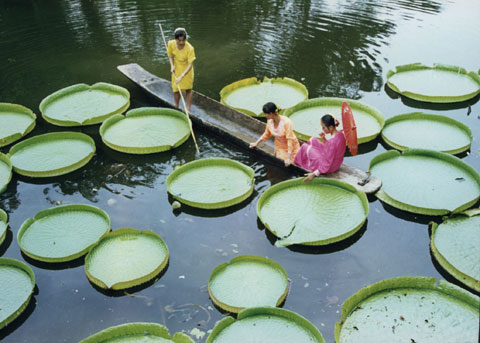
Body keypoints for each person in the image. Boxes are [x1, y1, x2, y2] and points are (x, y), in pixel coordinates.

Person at [294, 114, 346, 182]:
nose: (323, 129)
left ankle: (299, 161)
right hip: (336, 163)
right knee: (313, 140)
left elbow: (327, 162)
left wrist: (314, 173)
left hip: (330, 167)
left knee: (304, 147)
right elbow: (332, 148)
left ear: (330, 127)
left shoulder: (332, 142)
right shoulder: (341, 134)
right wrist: (324, 138)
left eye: (323, 127)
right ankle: (304, 156)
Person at [249, 102, 300, 166]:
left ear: (271, 114)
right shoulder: (269, 121)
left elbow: (290, 140)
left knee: (292, 162)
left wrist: (288, 158)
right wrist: (256, 143)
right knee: (280, 162)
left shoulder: (287, 122)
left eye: (265, 113)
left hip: (292, 146)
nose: (265, 115)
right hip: (280, 146)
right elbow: (266, 134)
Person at [167, 27, 196, 112]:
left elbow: (190, 64)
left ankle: (188, 108)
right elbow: (171, 56)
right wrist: (172, 66)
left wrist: (182, 76)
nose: (181, 42)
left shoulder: (190, 48)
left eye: (183, 40)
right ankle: (176, 106)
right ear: (175, 39)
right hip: (177, 68)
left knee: (188, 89)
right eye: (179, 40)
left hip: (187, 70)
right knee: (176, 89)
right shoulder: (171, 44)